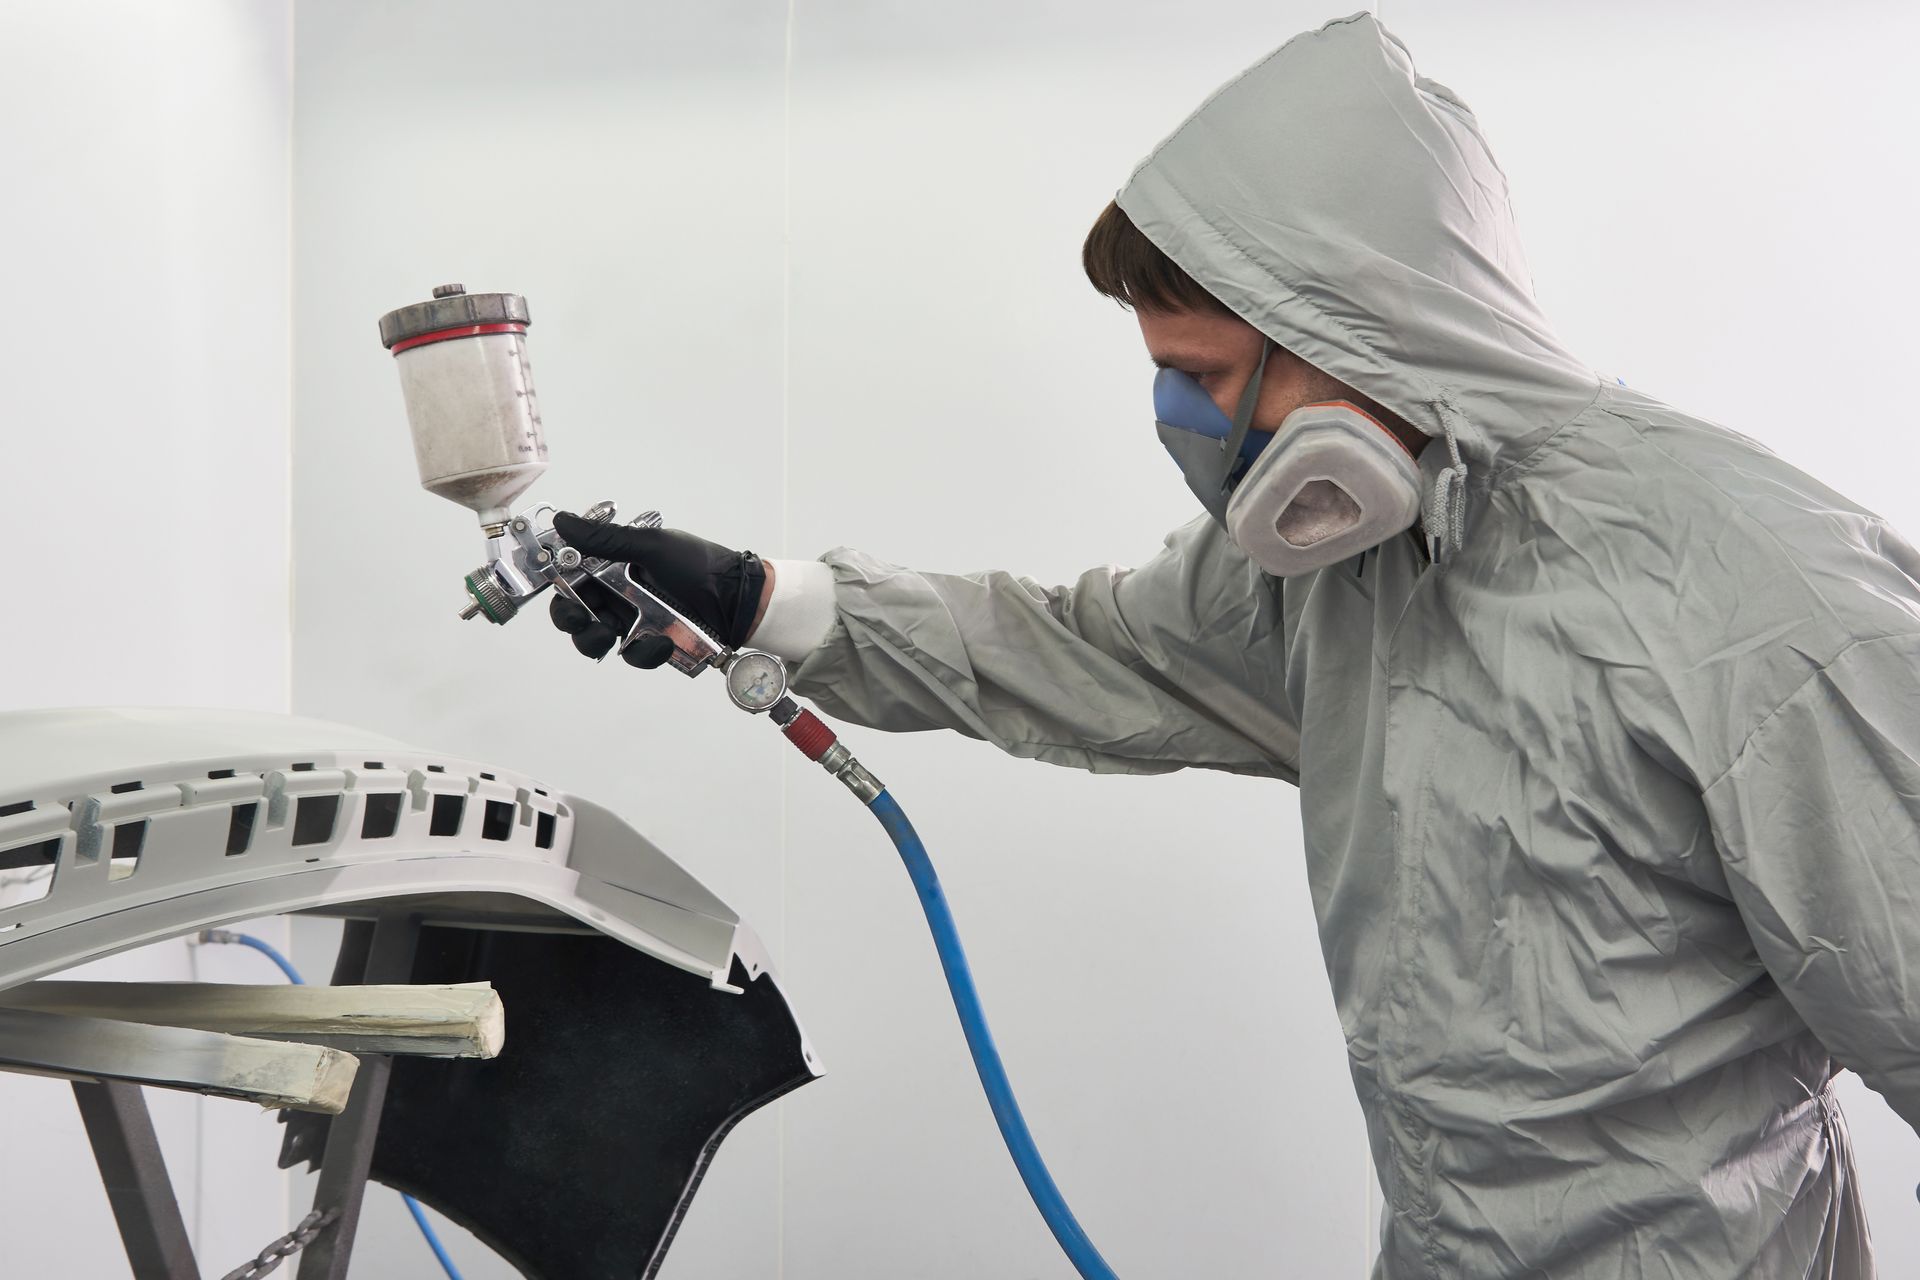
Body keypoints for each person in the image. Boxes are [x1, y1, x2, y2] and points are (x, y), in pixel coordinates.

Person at [550, 13, 1920, 1278]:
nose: (1185, 423)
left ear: (1361, 327)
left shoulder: (1759, 597)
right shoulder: (1343, 566)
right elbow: (1081, 649)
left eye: (1204, 378)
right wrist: (762, 601)